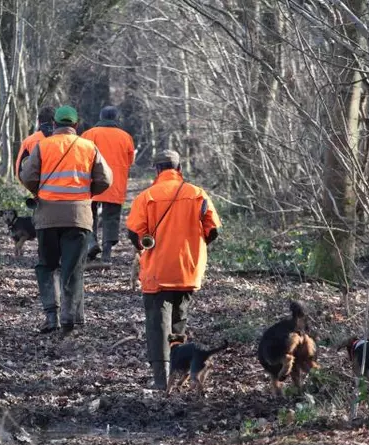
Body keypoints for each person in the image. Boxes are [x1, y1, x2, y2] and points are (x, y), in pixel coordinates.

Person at [126, 150, 221, 389]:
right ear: (179, 169)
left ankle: (161, 379)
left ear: (157, 170)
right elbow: (213, 230)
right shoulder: (198, 194)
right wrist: (193, 247)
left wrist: (147, 246)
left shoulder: (146, 197)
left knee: (158, 325)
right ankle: (176, 375)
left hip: (158, 273)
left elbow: (135, 234)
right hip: (188, 271)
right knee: (179, 322)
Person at [20, 105, 113, 335]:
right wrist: (87, 194)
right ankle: (70, 317)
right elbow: (106, 179)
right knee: (73, 268)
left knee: (46, 266)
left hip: (47, 216)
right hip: (78, 217)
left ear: (54, 125)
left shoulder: (42, 146)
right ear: (76, 125)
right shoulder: (89, 147)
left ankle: (52, 316)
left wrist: (39, 191)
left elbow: (26, 176)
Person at [81, 106, 136, 262]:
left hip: (91, 182)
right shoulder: (125, 137)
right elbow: (130, 160)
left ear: (100, 117)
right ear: (116, 118)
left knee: (88, 213)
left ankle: (91, 242)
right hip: (114, 183)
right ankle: (106, 252)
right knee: (111, 217)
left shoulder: (88, 134)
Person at [15, 106, 55, 179]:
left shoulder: (29, 141)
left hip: (38, 187)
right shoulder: (67, 140)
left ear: (39, 122)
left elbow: (20, 171)